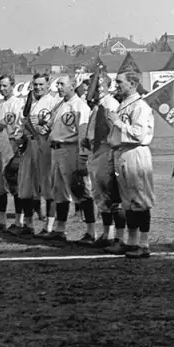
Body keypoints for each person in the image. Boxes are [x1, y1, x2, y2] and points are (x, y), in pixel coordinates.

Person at [106, 71, 155, 258]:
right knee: (127, 202)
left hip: (135, 153)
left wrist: (118, 123)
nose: (116, 85)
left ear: (132, 84)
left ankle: (144, 244)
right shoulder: (124, 105)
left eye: (120, 82)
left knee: (140, 200)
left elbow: (139, 134)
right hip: (122, 153)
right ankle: (132, 242)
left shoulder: (140, 106)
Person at [46, 74, 93, 243]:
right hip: (56, 150)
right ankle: (60, 229)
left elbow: (83, 134)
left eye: (62, 84)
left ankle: (90, 231)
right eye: (58, 84)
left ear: (72, 86)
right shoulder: (60, 104)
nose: (58, 87)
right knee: (59, 191)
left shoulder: (80, 106)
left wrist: (82, 157)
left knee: (80, 189)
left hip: (71, 150)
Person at [82, 73, 125, 249]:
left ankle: (116, 235)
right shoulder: (96, 107)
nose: (97, 89)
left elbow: (113, 130)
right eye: (94, 86)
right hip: (95, 152)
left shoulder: (110, 104)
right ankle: (107, 233)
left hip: (106, 152)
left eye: (100, 86)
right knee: (99, 194)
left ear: (107, 86)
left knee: (110, 194)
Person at [17, 73, 62, 236]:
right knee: (26, 185)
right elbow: (22, 124)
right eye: (35, 84)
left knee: (48, 185)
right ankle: (28, 224)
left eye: (41, 84)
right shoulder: (28, 102)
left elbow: (57, 124)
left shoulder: (54, 102)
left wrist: (46, 127)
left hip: (45, 145)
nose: (38, 87)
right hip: (30, 144)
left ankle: (48, 227)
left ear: (48, 85)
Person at [0, 75, 25, 234]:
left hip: (12, 147)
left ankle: (19, 220)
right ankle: (1, 219)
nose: (2, 88)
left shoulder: (18, 103)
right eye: (0, 86)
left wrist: (17, 143)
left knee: (15, 184)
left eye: (5, 85)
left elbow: (21, 126)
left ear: (12, 85)